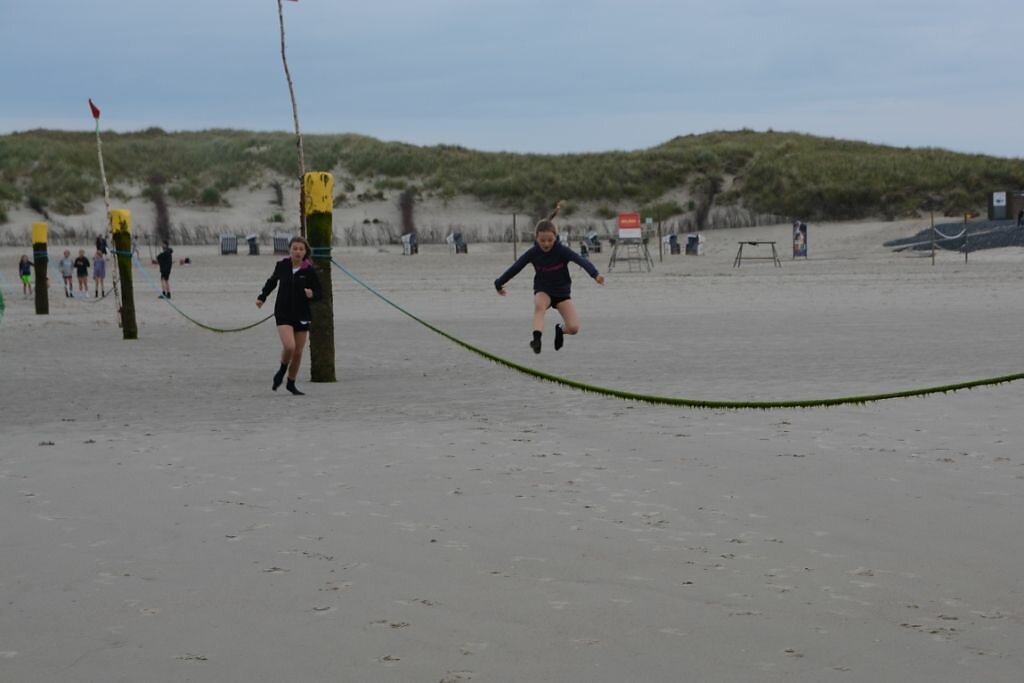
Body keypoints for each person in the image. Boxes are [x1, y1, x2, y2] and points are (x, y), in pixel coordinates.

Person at [494, 203, 605, 353]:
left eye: (550, 240)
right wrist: (499, 283)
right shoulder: (533, 252)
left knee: (574, 328)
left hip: (561, 292)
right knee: (539, 306)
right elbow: (516, 267)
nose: (546, 244)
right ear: (537, 238)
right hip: (543, 289)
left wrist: (595, 274)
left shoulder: (561, 251)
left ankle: (560, 329)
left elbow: (580, 260)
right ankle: (537, 339)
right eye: (542, 241)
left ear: (555, 238)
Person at [256, 236, 322, 395]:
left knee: (298, 352)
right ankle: (281, 370)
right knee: (290, 346)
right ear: (290, 250)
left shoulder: (309, 270)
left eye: (301, 249)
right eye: (295, 248)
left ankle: (291, 383)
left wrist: (311, 293)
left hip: (302, 313)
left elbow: (319, 292)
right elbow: (272, 282)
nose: (298, 251)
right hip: (283, 312)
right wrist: (262, 297)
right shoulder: (282, 265)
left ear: (305, 252)